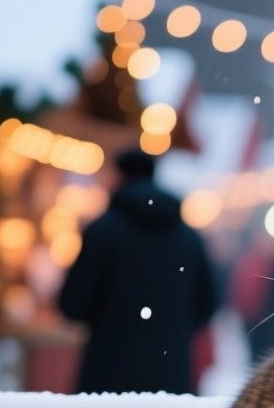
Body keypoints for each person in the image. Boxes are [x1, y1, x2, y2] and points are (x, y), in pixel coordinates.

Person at [59, 148, 217, 394]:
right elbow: (207, 306)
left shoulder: (102, 232)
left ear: (119, 177)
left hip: (108, 377)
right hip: (171, 375)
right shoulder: (188, 238)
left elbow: (73, 304)